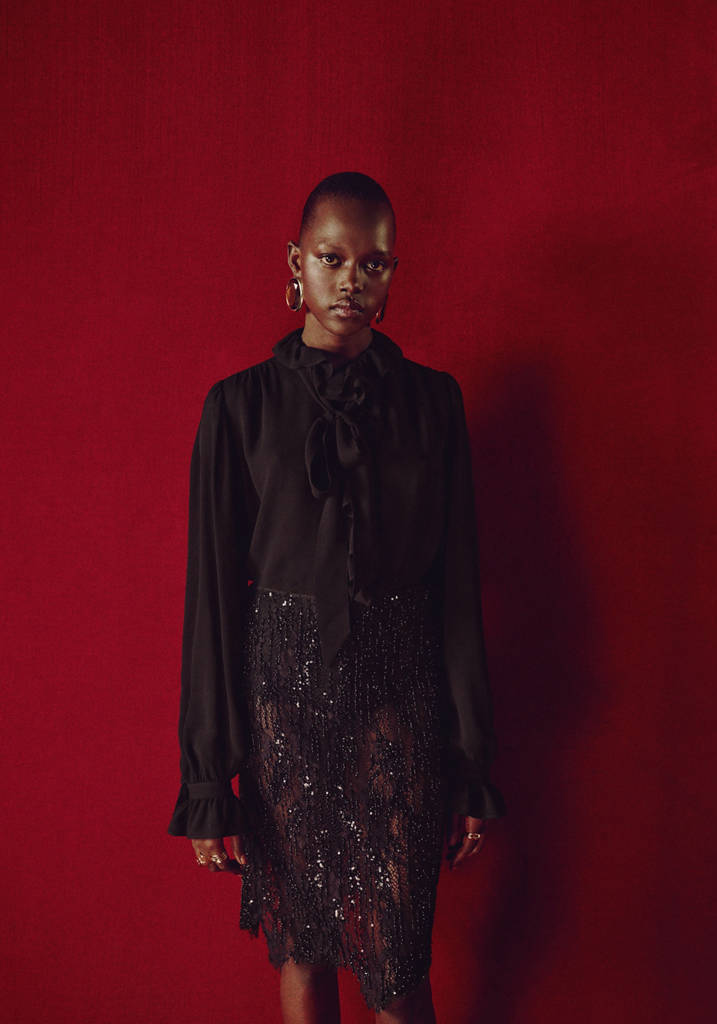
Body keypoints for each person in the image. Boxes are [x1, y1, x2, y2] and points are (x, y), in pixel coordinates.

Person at [167, 171, 507, 1023]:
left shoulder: (433, 403)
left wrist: (470, 760)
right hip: (282, 704)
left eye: (374, 264)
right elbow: (212, 603)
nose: (351, 280)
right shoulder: (237, 408)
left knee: (397, 958)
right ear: (296, 263)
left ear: (392, 275)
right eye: (331, 258)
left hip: (400, 699)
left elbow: (457, 589)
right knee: (303, 947)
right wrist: (208, 776)